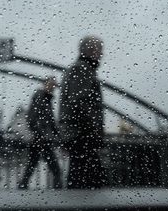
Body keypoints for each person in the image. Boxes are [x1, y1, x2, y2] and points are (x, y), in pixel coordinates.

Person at [59, 36, 106, 189]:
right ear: (90, 50)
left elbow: (77, 103)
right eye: (99, 49)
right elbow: (79, 103)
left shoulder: (80, 69)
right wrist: (93, 132)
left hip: (78, 134)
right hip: (81, 135)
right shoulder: (82, 69)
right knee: (90, 181)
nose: (101, 54)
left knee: (80, 178)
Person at [18, 77, 62, 189]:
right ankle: (59, 195)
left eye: (54, 85)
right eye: (50, 84)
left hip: (41, 139)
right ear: (45, 84)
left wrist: (57, 135)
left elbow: (50, 122)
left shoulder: (46, 99)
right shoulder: (40, 97)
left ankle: (21, 189)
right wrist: (40, 134)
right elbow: (33, 118)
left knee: (31, 166)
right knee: (55, 170)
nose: (52, 87)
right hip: (42, 139)